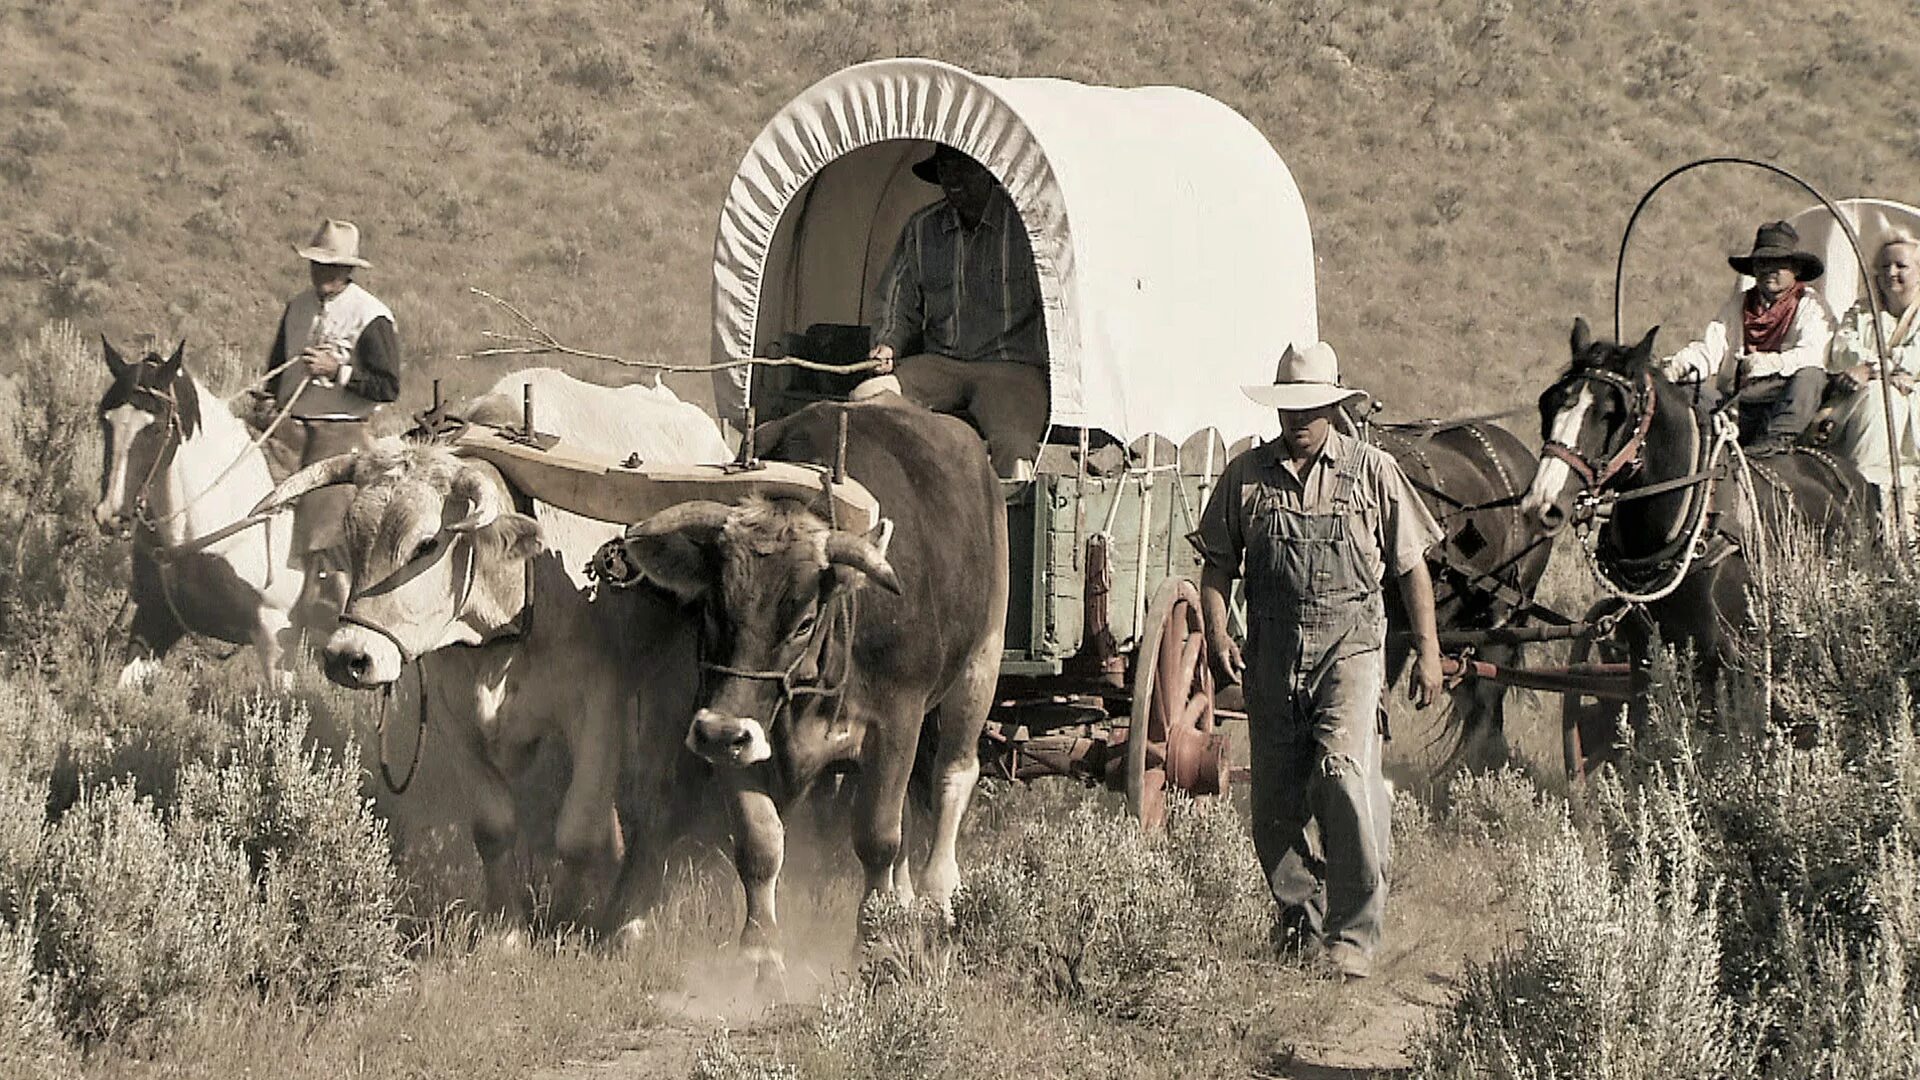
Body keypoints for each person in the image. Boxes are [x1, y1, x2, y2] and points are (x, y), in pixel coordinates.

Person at [1189, 341, 1444, 981]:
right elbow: (1217, 564)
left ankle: (1353, 934)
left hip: (1351, 646)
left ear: (1333, 406)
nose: (1296, 421)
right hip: (1272, 652)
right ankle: (1299, 922)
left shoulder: (1375, 472)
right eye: (1287, 408)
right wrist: (1220, 635)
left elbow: (1411, 568)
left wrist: (1427, 650)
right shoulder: (1245, 477)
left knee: (1340, 771)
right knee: (1274, 802)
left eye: (1309, 408)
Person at [865, 145, 1048, 479]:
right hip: (942, 363)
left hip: (1011, 367)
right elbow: (896, 298)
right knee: (867, 400)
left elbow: (1055, 310)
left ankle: (1011, 524)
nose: (953, 181)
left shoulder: (1026, 230)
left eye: (964, 169)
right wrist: (887, 344)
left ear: (989, 173)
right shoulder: (922, 229)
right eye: (946, 171)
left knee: (1014, 445)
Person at [262, 218, 401, 615]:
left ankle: (327, 608)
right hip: (288, 428)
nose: (320, 272)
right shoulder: (297, 307)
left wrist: (336, 371)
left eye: (329, 266)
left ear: (348, 270)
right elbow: (277, 369)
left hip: (341, 433)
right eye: (316, 264)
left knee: (325, 520)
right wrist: (265, 399)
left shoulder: (371, 316)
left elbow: (389, 387)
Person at [1663, 220, 1835, 455]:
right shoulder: (1739, 304)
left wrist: (1774, 363)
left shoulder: (1811, 305)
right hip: (1739, 405)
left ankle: (1775, 442)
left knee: (1811, 375)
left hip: (1784, 403)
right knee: (1685, 392)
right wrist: (1681, 366)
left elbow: (1812, 353)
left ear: (1794, 269)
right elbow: (1711, 348)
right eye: (1763, 262)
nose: (1769, 270)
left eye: (1779, 264)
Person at [1826, 233, 1920, 527]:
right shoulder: (1862, 311)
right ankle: (1861, 495)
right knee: (1883, 397)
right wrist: (1888, 371)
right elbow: (1841, 353)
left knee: (1886, 398)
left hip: (1910, 419)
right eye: (1884, 266)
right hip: (1857, 408)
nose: (1891, 273)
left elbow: (1915, 359)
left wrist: (1872, 369)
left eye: (1901, 266)